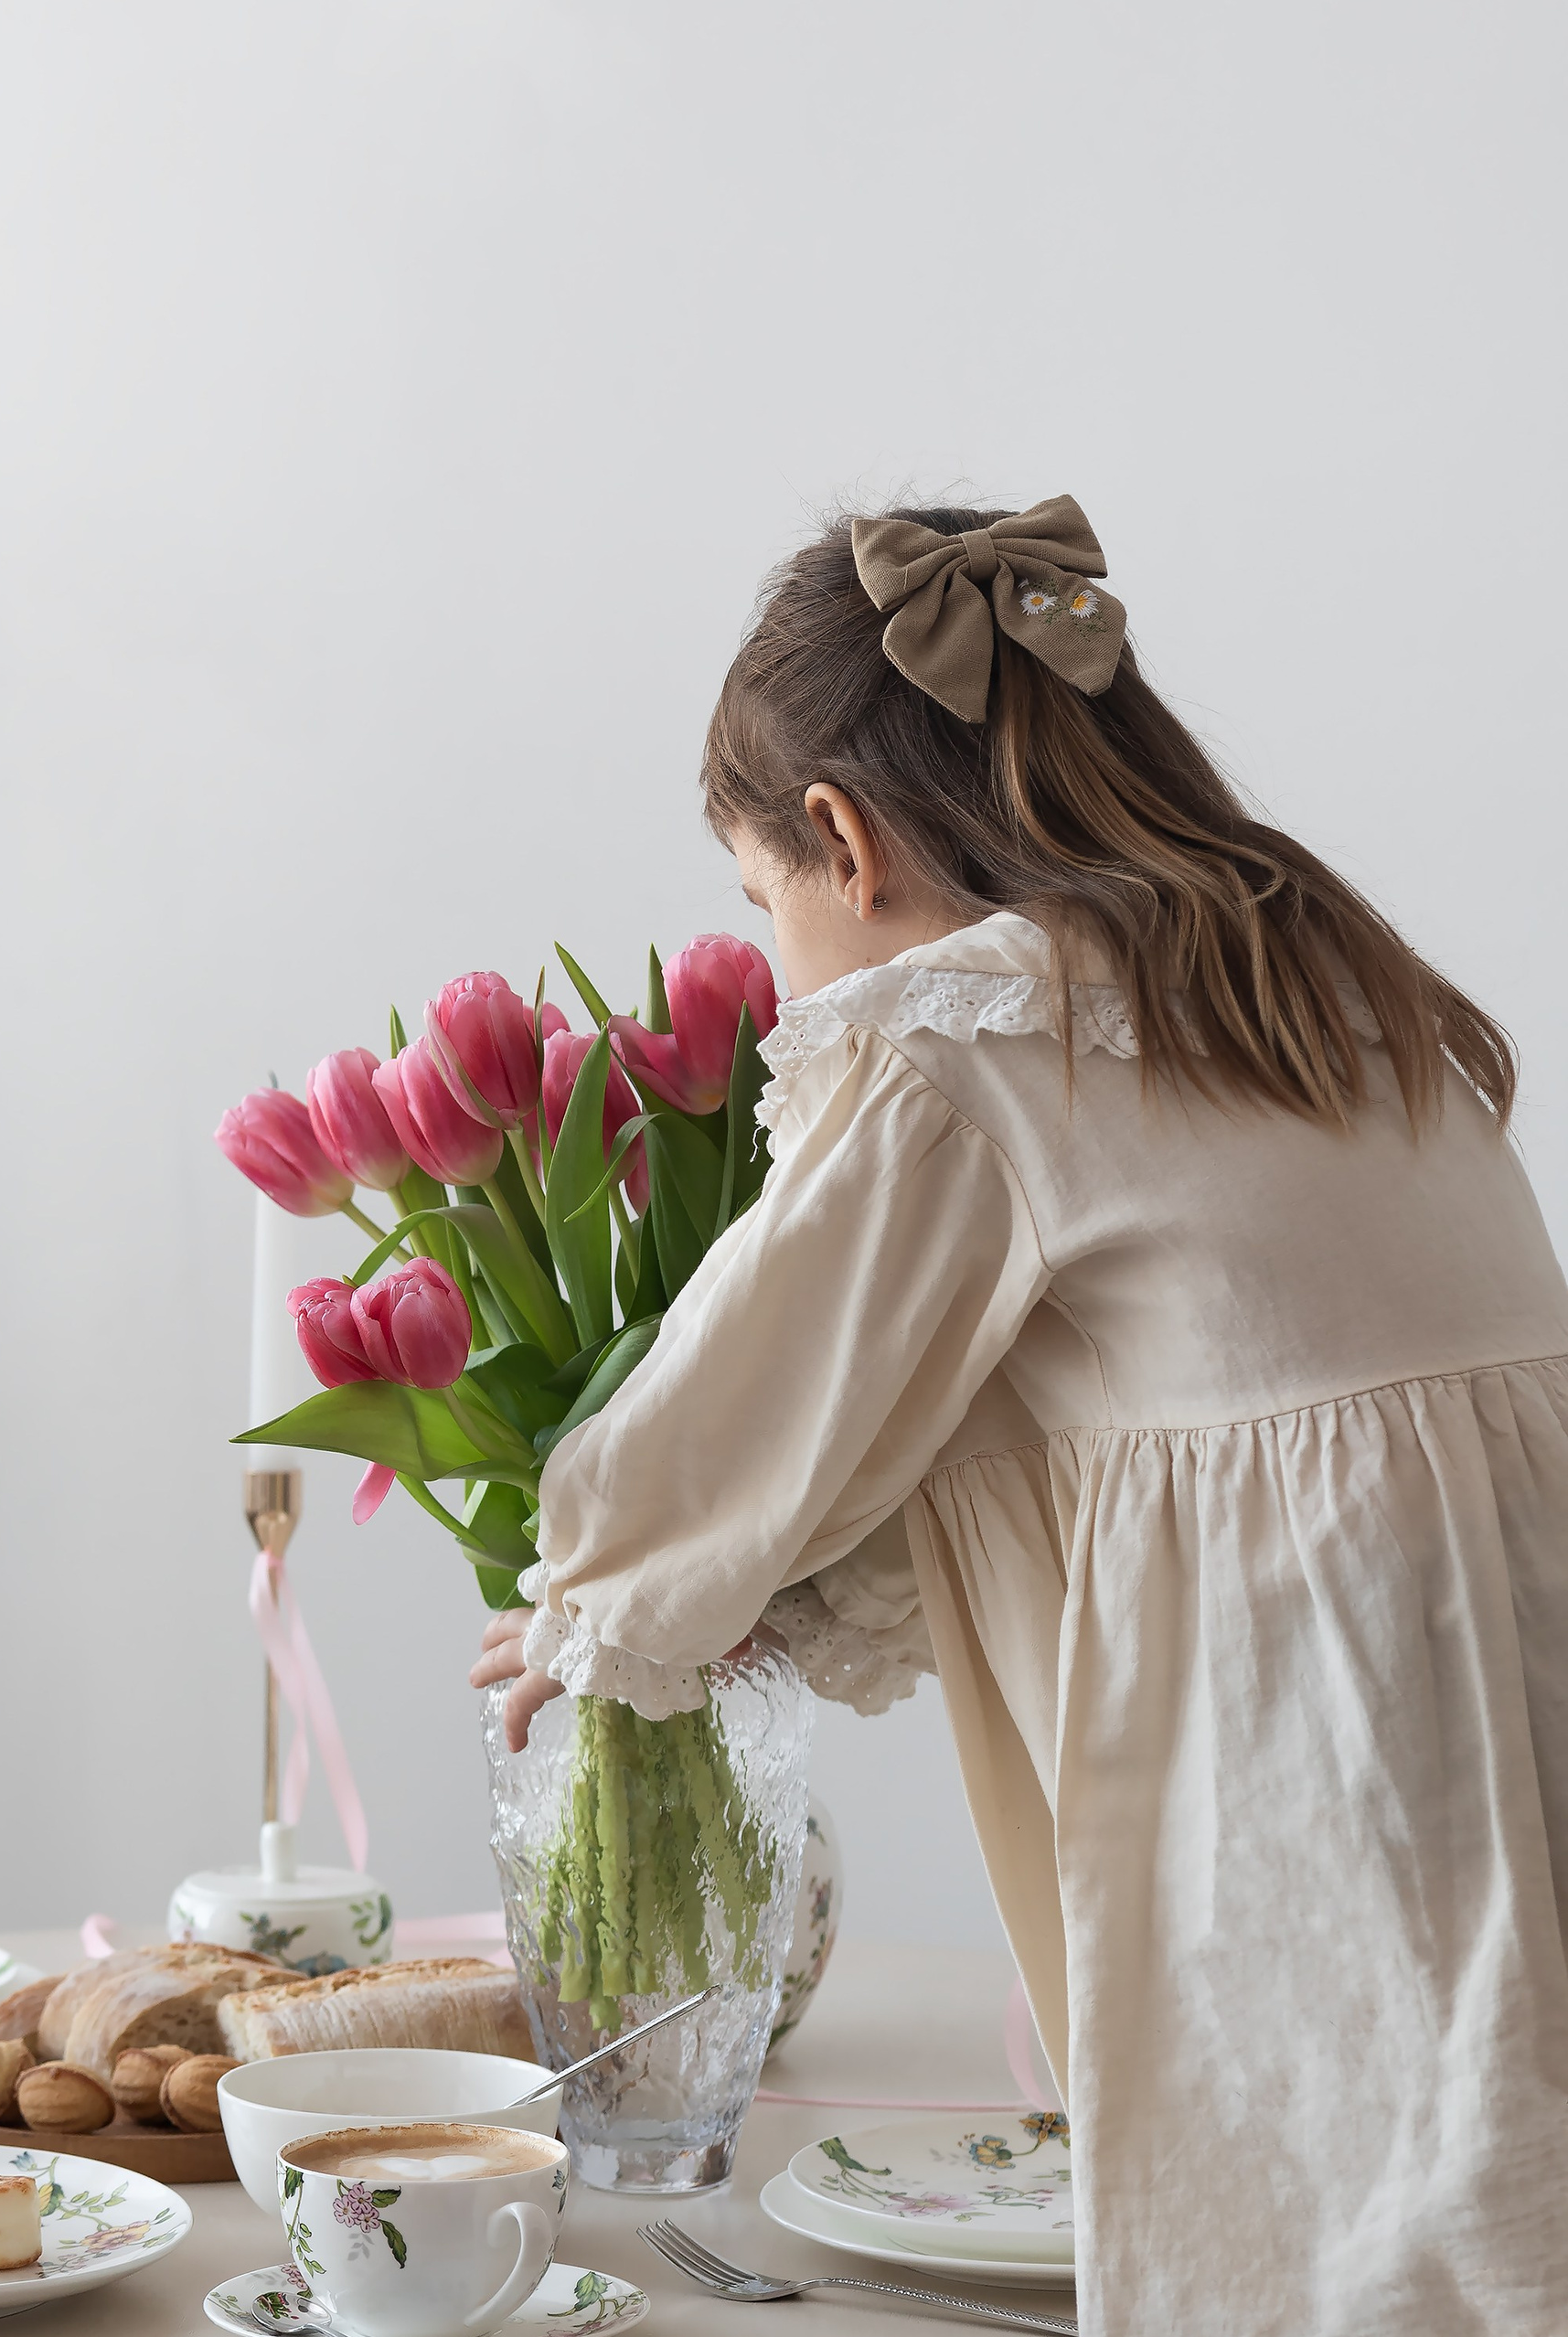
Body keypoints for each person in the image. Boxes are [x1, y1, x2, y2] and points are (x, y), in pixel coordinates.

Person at [469, 497, 1568, 2336]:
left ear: (840, 837)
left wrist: (602, 1590)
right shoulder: (1305, 980)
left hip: (1314, 1731)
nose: (788, 970)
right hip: (1503, 1675)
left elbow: (770, 1367)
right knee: (1480, 2177)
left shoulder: (960, 1037)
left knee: (1330, 2213)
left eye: (765, 905)